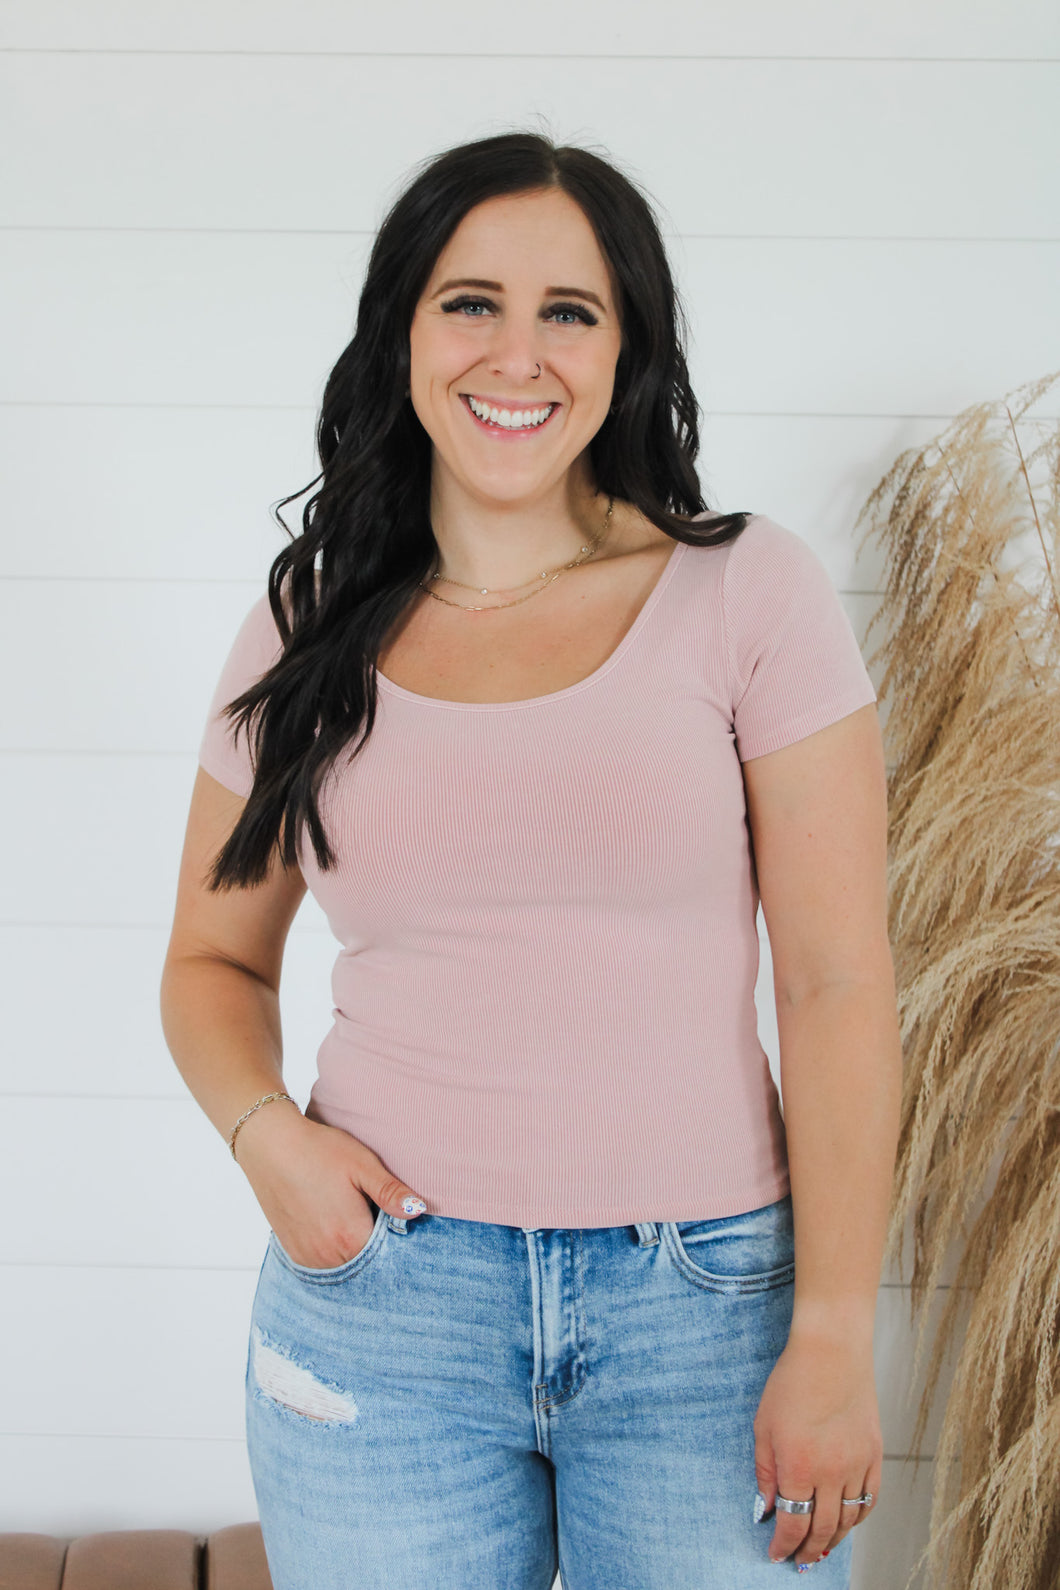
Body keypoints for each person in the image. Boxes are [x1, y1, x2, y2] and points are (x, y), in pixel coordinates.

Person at [160, 130, 902, 1589]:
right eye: (470, 302)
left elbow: (835, 983)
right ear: (403, 331)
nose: (519, 354)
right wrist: (269, 1143)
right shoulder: (311, 620)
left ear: (627, 348)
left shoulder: (745, 592)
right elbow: (210, 960)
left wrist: (831, 1331)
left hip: (703, 1311)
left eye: (570, 310)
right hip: (383, 1304)